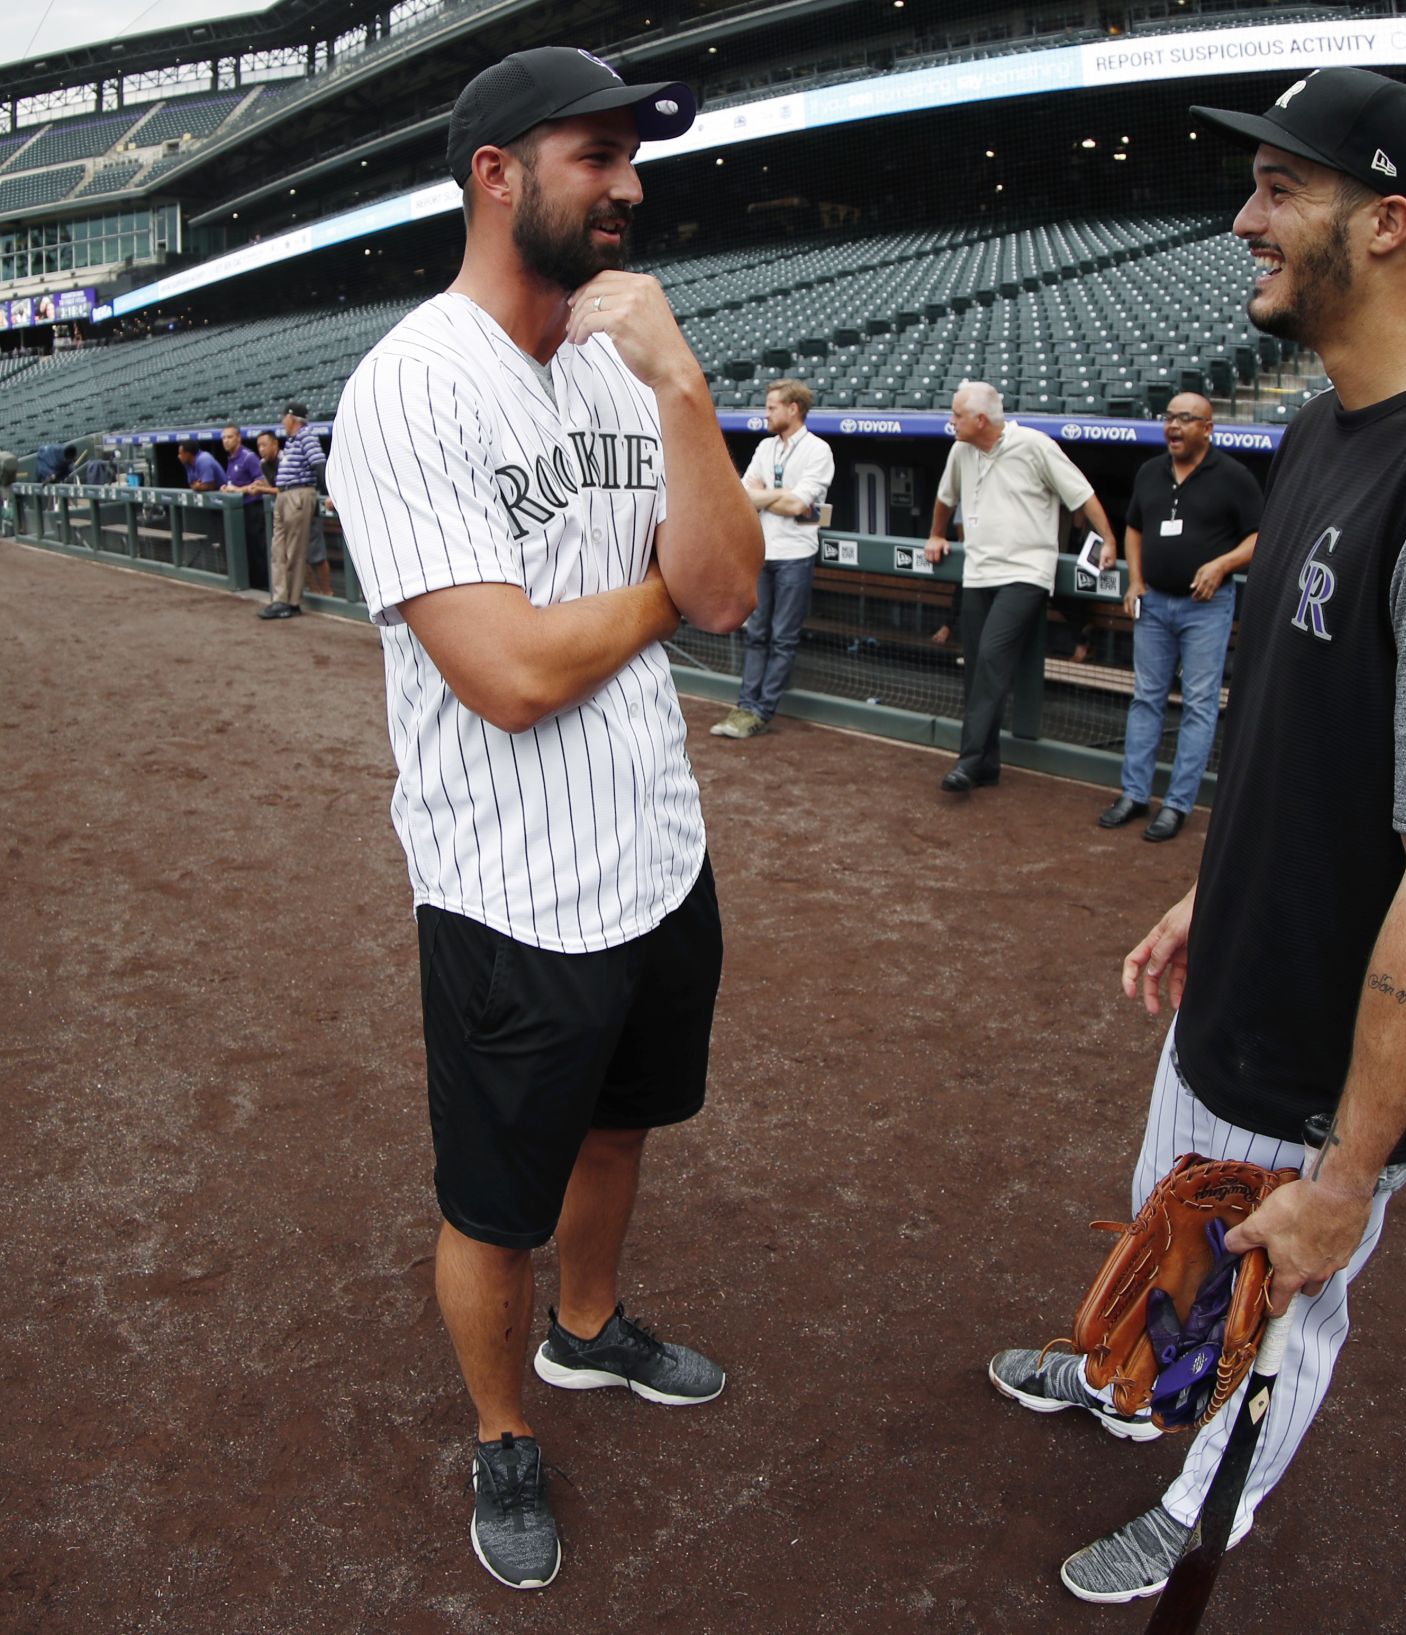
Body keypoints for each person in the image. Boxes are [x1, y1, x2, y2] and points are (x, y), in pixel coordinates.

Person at [985, 68, 1406, 1604]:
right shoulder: (1322, 427)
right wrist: (1208, 890)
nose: (1242, 218)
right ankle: (1131, 1375)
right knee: (1171, 1236)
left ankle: (1203, 1506)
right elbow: (1299, 744)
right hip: (1235, 987)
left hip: (1337, 1056)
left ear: (1388, 224)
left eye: (1280, 189)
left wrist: (1351, 1172)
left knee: (1278, 1295)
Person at [326, 46, 759, 1592]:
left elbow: (734, 586)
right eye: (599, 156)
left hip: (654, 846)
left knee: (623, 1124)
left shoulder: (622, 364)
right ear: (498, 173)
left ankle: (588, 1334)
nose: (632, 187)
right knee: (490, 1199)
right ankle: (505, 1424)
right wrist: (656, 597)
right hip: (508, 887)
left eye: (634, 158)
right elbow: (508, 675)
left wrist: (688, 384)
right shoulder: (408, 386)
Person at [924, 380, 1117, 793]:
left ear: (980, 419)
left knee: (993, 658)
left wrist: (1109, 539)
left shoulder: (1033, 444)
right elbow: (945, 497)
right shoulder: (961, 450)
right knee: (977, 664)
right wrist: (936, 534)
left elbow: (1081, 494)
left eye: (957, 415)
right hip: (978, 571)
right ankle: (988, 763)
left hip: (1026, 572)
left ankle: (969, 761)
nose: (951, 421)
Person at [1099, 390, 1262, 842]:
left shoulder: (1233, 476)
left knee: (1199, 705)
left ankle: (1176, 804)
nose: (1173, 426)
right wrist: (1135, 580)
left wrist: (1221, 564)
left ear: (1207, 428)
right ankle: (1134, 794)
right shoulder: (1151, 471)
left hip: (1205, 609)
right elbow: (1134, 526)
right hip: (1154, 603)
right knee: (1146, 699)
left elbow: (1260, 536)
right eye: (1169, 417)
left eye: (1185, 419)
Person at [711, 377, 835, 739]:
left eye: (772, 408)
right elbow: (743, 495)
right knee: (757, 633)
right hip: (763, 551)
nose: (766, 414)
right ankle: (745, 705)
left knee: (783, 637)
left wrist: (767, 495)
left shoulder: (818, 450)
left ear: (793, 409)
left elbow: (800, 505)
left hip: (796, 554)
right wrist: (776, 496)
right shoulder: (766, 447)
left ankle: (761, 711)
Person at [260, 401, 326, 620]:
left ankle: (292, 602)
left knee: (294, 552)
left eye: (284, 417)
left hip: (298, 495)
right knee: (278, 551)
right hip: (284, 495)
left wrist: (329, 492)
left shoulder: (307, 436)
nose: (282, 421)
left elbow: (319, 464)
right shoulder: (291, 441)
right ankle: (280, 600)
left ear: (292, 418)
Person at [218, 425, 263, 492]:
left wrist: (238, 490)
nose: (226, 441)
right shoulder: (231, 458)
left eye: (229, 437)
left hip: (251, 502)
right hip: (236, 502)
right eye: (224, 438)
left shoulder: (248, 457)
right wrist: (226, 488)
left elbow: (261, 483)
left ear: (239, 438)